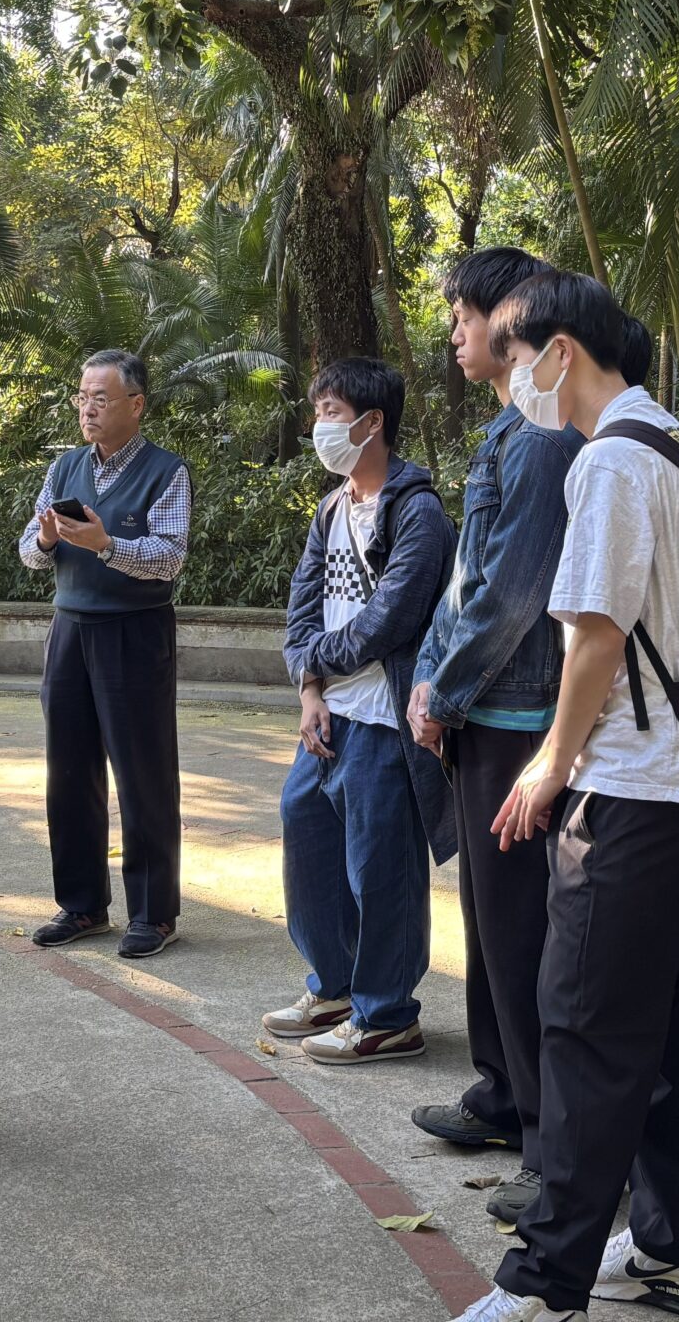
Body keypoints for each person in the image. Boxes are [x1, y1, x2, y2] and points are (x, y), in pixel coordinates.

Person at [455, 271, 679, 1322]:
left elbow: (597, 637)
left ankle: (546, 1280)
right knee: (660, 1031)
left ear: (560, 351)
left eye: (518, 354)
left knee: (579, 1029)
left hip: (628, 789)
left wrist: (551, 761)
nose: (511, 373)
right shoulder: (670, 442)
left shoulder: (611, 461)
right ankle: (673, 1250)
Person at [405, 248, 582, 1226]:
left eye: (463, 317)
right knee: (488, 921)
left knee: (523, 938)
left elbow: (514, 593)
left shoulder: (545, 441)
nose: (455, 335)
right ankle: (503, 1091)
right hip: (482, 710)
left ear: (509, 318)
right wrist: (433, 682)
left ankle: (550, 1141)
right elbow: (464, 585)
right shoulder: (506, 433)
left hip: (519, 718)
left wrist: (446, 688)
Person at [272, 357, 459, 1064]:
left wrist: (316, 661)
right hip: (328, 714)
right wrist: (309, 689)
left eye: (331, 412)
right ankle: (335, 988)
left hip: (387, 720)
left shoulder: (418, 512)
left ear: (371, 422)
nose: (319, 425)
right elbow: (300, 609)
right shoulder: (331, 509)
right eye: (318, 411)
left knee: (382, 869)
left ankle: (387, 1014)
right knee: (308, 839)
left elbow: (389, 621)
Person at [17, 349, 192, 959]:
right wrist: (46, 538)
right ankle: (82, 905)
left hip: (135, 633)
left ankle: (154, 914)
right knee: (67, 772)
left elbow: (169, 556)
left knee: (143, 774)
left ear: (135, 405)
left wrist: (106, 544)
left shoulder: (166, 470)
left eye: (101, 398)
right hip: (69, 630)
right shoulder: (65, 467)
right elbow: (29, 552)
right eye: (82, 397)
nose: (87, 409)